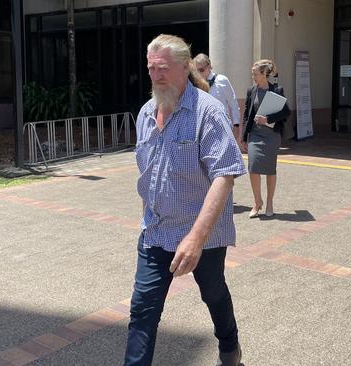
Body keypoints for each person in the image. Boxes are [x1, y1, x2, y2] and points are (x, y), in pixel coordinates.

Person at [123, 34, 246, 366]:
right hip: (156, 233)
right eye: (151, 69)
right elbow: (149, 175)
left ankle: (229, 345)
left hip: (202, 236)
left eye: (163, 69)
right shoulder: (146, 114)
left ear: (184, 67)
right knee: (142, 312)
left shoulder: (208, 112)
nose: (156, 76)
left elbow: (226, 174)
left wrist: (195, 238)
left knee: (213, 293)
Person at [241, 59, 290, 218]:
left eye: (255, 74)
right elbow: (247, 113)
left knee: (270, 169)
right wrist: (243, 137)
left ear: (264, 74)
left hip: (271, 135)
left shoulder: (277, 90)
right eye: (252, 74)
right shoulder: (251, 91)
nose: (253, 77)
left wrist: (267, 119)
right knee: (253, 167)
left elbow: (286, 112)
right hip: (255, 134)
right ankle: (257, 202)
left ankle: (269, 203)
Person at [194, 53, 242, 143]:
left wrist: (236, 124)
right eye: (196, 71)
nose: (199, 74)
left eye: (201, 70)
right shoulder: (195, 84)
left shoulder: (222, 80)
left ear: (209, 67)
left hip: (221, 124)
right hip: (202, 125)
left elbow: (233, 102)